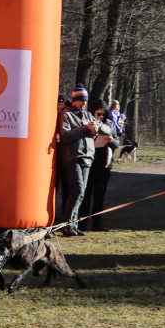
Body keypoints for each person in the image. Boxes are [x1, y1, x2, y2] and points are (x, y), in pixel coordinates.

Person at [58, 84, 111, 236]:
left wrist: (98, 126)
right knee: (78, 190)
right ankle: (67, 224)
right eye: (81, 100)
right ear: (74, 100)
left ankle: (73, 225)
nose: (83, 103)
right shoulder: (66, 115)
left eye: (85, 100)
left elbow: (108, 130)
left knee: (81, 193)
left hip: (88, 158)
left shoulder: (88, 115)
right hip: (73, 157)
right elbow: (66, 136)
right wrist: (86, 128)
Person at [82, 98, 118, 231]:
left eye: (104, 114)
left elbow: (117, 143)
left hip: (104, 164)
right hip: (88, 163)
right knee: (86, 194)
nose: (101, 116)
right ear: (93, 113)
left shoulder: (110, 124)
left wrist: (111, 141)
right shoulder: (86, 123)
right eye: (99, 114)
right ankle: (82, 221)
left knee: (100, 195)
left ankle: (98, 222)